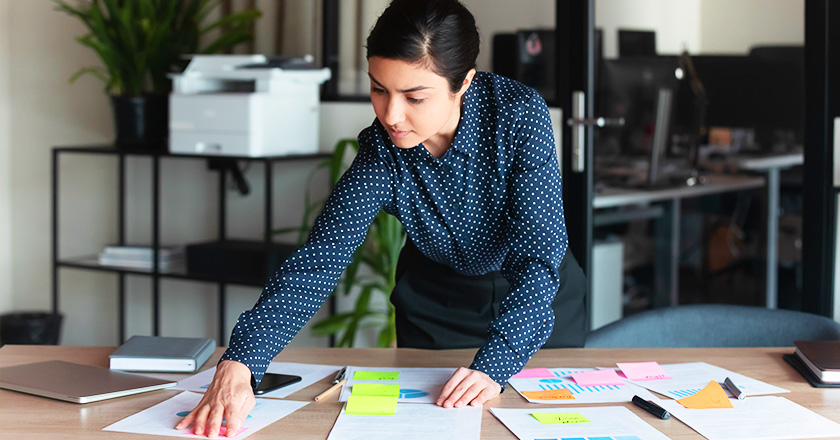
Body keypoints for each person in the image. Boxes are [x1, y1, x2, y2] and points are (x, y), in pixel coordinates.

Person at [176, 0, 586, 437]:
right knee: (434, 427)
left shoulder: (518, 115)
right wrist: (241, 362)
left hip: (536, 297)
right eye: (379, 89)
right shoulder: (382, 150)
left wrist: (496, 363)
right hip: (436, 302)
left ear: (463, 82)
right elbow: (320, 260)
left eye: (414, 96)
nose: (391, 115)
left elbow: (537, 254)